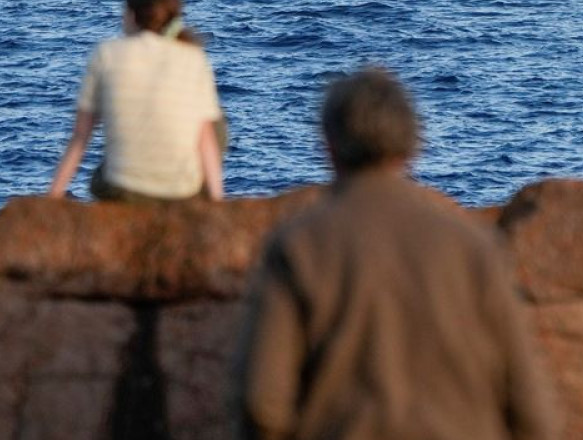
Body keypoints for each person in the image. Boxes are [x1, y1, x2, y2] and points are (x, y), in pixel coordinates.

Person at [231, 67, 558, 440]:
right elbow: (531, 407)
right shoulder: (474, 247)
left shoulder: (299, 246)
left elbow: (263, 402)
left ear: (328, 146)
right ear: (412, 146)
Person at [47, 0, 224, 202]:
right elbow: (205, 137)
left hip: (123, 189)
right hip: (181, 189)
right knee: (214, 122)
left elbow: (81, 136)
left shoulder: (107, 54)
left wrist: (52, 197)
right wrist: (217, 201)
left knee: (106, 169)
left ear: (130, 15)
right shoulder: (193, 57)